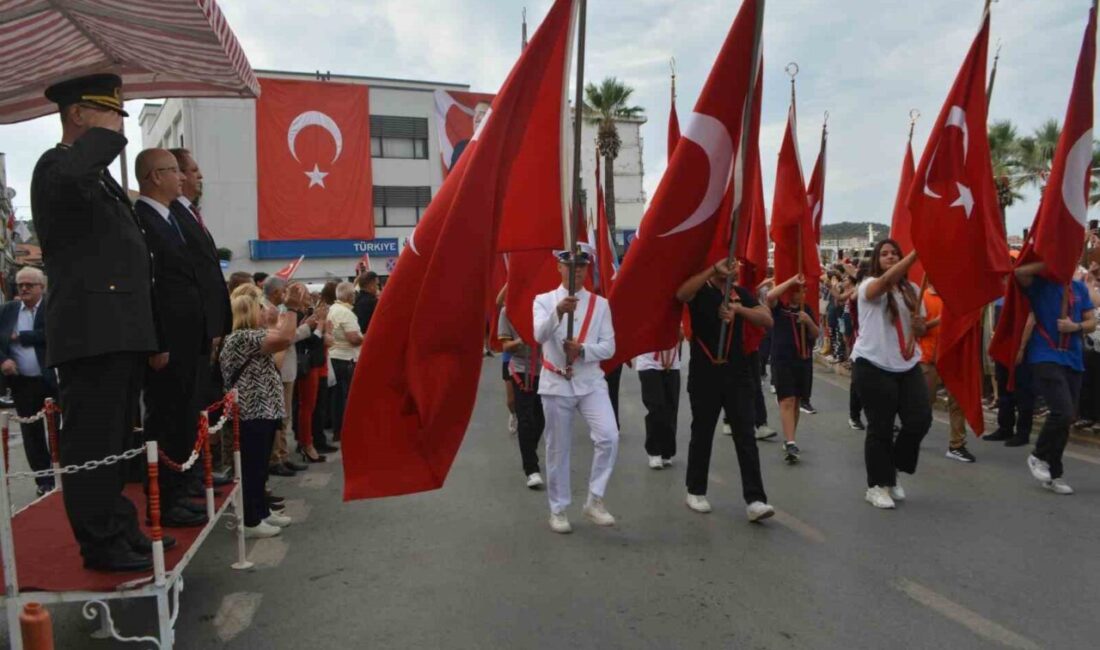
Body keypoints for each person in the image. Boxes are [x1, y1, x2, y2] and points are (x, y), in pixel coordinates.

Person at [32, 74, 164, 571]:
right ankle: (100, 540)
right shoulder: (57, 166)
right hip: (91, 329)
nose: (119, 122)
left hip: (118, 327)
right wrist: (108, 138)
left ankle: (119, 526)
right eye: (109, 112)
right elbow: (71, 183)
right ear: (78, 114)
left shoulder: (98, 177)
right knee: (92, 440)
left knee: (116, 440)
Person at [133, 147, 209, 528]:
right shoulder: (144, 219)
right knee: (166, 420)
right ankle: (167, 497)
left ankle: (181, 489)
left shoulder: (170, 218)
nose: (180, 177)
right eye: (171, 171)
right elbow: (151, 287)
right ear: (153, 177)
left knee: (183, 417)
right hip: (169, 341)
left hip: (186, 337)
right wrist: (157, 340)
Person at [676, 258, 775, 522]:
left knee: (745, 435)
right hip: (705, 373)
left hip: (738, 374)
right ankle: (695, 490)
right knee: (703, 432)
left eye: (735, 264)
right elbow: (681, 294)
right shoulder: (701, 290)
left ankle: (755, 499)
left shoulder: (740, 294)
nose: (733, 268)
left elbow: (767, 319)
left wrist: (739, 311)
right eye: (726, 263)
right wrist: (710, 269)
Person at [534, 245, 618, 534]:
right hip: (556, 383)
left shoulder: (600, 304)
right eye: (570, 265)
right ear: (559, 267)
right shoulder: (544, 301)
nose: (576, 270)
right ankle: (558, 509)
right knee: (558, 449)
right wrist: (559, 311)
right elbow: (538, 335)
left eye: (581, 265)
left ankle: (595, 498)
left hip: (590, 381)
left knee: (609, 436)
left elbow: (609, 347)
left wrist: (583, 349)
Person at [849, 239, 932, 510]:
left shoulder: (912, 290)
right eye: (884, 254)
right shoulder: (868, 286)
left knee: (919, 420)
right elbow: (883, 284)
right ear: (876, 260)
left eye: (894, 253)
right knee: (880, 426)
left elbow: (919, 330)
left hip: (906, 365)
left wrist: (921, 326)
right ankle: (876, 485)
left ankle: (894, 468)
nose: (890, 257)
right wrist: (915, 254)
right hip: (873, 364)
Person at [220, 290, 297, 538]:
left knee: (260, 467)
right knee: (252, 468)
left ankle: (262, 511)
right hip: (251, 412)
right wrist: (292, 308)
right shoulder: (242, 337)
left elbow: (277, 354)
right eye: (261, 308)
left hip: (263, 411)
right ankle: (251, 520)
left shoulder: (250, 337)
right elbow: (285, 338)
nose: (266, 312)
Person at [1015, 261, 1096, 495]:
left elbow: (1091, 321)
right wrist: (1050, 259)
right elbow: (1019, 272)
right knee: (1061, 410)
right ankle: (1038, 455)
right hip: (1046, 355)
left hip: (1073, 357)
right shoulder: (1041, 284)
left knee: (1068, 417)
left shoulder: (1079, 288)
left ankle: (1054, 473)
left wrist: (1075, 326)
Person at [0, 267, 57, 495]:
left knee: (61, 431)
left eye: (29, 285)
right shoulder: (8, 311)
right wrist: (3, 360)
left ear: (41, 287)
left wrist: (21, 337)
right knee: (32, 435)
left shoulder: (52, 307)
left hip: (52, 379)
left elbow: (52, 333)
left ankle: (67, 478)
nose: (23, 288)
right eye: (20, 285)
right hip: (22, 383)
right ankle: (44, 482)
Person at [916, 284, 975, 463]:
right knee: (925, 403)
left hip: (952, 357)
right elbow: (918, 330)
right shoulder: (921, 297)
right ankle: (913, 434)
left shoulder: (955, 298)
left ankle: (957, 445)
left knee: (957, 402)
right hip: (928, 359)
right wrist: (940, 320)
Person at [765, 273, 820, 464]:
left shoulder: (807, 310)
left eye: (804, 290)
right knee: (786, 399)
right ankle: (790, 441)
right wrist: (790, 280)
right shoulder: (780, 309)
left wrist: (809, 321)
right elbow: (769, 297)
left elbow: (816, 333)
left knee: (796, 401)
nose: (802, 293)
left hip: (803, 360)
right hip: (783, 360)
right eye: (797, 290)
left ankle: (791, 437)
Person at [261, 277, 308, 477]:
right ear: (275, 292)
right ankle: (276, 458)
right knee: (280, 417)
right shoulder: (269, 310)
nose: (286, 295)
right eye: (284, 292)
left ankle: (282, 455)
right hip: (278, 369)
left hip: (286, 369)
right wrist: (307, 328)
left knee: (284, 416)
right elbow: (284, 338)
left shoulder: (276, 309)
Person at [498, 306, 544, 488]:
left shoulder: (544, 306)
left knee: (540, 418)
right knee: (525, 419)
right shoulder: (507, 312)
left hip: (544, 369)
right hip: (520, 370)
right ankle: (532, 469)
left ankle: (528, 450)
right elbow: (505, 346)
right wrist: (521, 340)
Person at [292, 285, 332, 462]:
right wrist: (321, 325)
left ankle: (308, 442)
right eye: (306, 295)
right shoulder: (296, 316)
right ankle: (306, 443)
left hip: (314, 364)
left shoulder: (305, 315)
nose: (310, 297)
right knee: (306, 407)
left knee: (311, 406)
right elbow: (310, 341)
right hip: (306, 366)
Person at [635, 341, 681, 470]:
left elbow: (683, 335)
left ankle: (667, 451)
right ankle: (654, 451)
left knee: (671, 408)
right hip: (649, 363)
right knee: (656, 407)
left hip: (672, 363)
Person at [327, 281, 362, 441]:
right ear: (349, 296)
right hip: (345, 358)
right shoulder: (346, 312)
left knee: (337, 398)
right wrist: (368, 336)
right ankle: (341, 430)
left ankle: (338, 429)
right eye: (354, 294)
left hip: (335, 356)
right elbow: (354, 338)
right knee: (342, 397)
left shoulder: (333, 309)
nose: (355, 297)